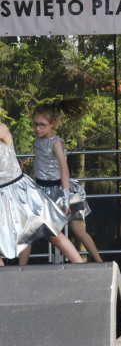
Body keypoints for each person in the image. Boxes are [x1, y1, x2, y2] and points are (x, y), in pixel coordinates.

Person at [19, 99, 102, 265]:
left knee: (77, 229)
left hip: (61, 190)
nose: (38, 128)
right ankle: (20, 268)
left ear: (53, 124)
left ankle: (100, 262)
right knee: (28, 230)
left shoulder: (56, 143)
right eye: (35, 124)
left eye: (42, 125)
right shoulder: (38, 138)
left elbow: (65, 170)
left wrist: (65, 200)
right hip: (42, 190)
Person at [0, 105, 83, 266]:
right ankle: (7, 281)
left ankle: (82, 267)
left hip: (19, 191)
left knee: (51, 233)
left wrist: (66, 198)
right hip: (2, 197)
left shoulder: (2, 129)